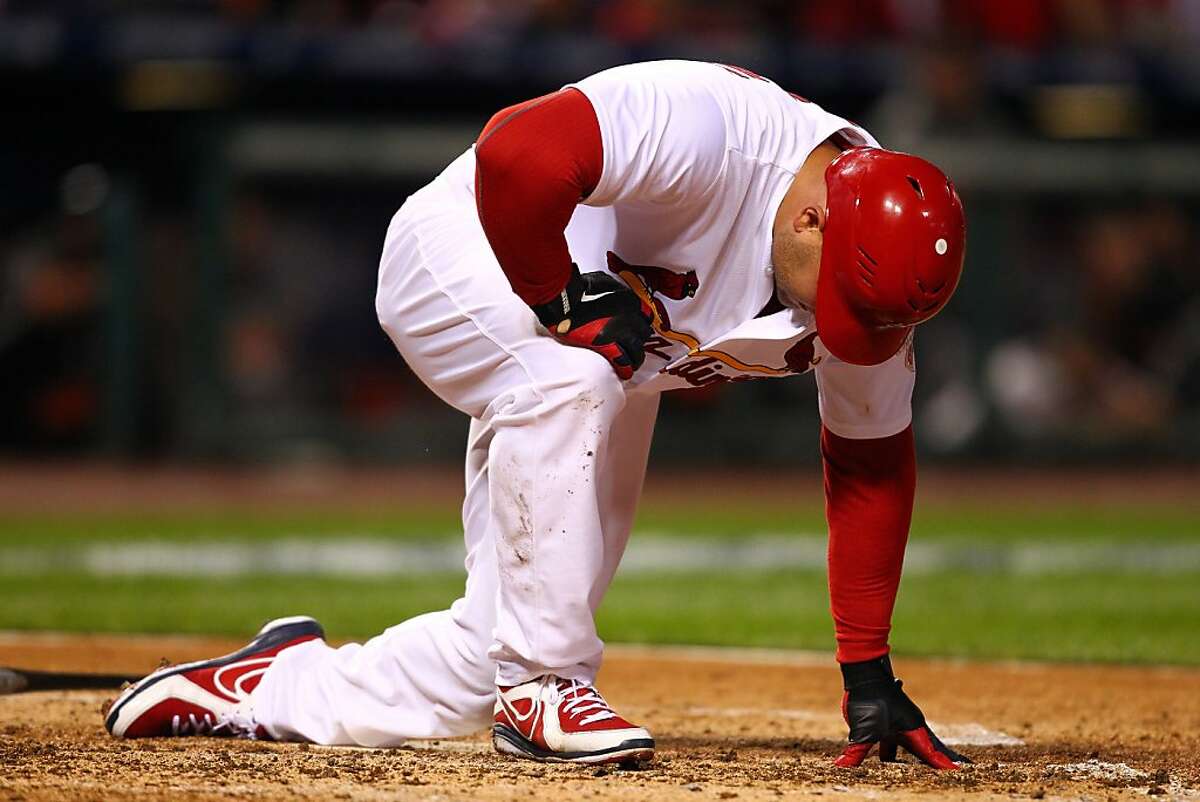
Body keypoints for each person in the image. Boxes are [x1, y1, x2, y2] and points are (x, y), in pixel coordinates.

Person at [103, 60, 968, 770]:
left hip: (595, 353)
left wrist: (868, 668)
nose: (840, 330)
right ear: (812, 219)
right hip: (471, 251)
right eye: (842, 304)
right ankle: (546, 687)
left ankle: (274, 684)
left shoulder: (870, 269)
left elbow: (869, 462)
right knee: (573, 386)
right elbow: (517, 151)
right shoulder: (713, 131)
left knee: (489, 647)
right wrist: (556, 299)